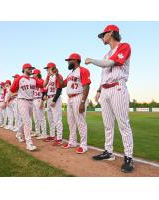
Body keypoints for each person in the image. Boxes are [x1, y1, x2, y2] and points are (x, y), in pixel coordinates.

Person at [85, 24, 134, 173]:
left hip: (118, 88)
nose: (102, 38)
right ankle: (108, 152)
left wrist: (92, 60)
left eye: (103, 35)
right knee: (108, 124)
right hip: (106, 90)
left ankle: (128, 158)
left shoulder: (124, 46)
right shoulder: (106, 55)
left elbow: (112, 63)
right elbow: (104, 74)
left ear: (111, 33)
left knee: (123, 124)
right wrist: (99, 90)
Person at [55, 53, 91, 154]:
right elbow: (62, 84)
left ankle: (83, 145)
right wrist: (57, 74)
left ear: (75, 60)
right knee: (71, 121)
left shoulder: (83, 70)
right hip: (70, 99)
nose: (68, 62)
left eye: (69, 60)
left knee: (80, 122)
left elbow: (86, 86)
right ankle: (72, 141)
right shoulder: (70, 74)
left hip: (79, 97)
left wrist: (83, 102)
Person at [5, 63, 44, 151]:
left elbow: (43, 85)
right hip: (22, 101)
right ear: (24, 69)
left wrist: (49, 76)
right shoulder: (19, 79)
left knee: (26, 121)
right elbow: (11, 91)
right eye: (29, 68)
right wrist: (5, 101)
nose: (31, 70)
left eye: (31, 68)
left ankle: (19, 133)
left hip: (31, 101)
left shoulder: (33, 79)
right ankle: (29, 143)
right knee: (27, 121)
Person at [43, 62, 63, 146]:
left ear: (52, 68)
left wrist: (54, 100)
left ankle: (59, 138)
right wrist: (45, 95)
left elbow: (59, 88)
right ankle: (52, 135)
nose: (47, 70)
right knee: (50, 119)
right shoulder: (50, 78)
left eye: (48, 69)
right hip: (49, 98)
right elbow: (45, 87)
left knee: (57, 119)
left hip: (55, 98)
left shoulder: (58, 76)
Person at [32, 69, 47, 140]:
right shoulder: (33, 82)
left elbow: (44, 92)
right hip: (34, 100)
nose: (33, 75)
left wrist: (42, 101)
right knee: (35, 118)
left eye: (34, 73)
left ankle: (44, 133)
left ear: (37, 73)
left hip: (39, 99)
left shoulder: (41, 81)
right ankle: (37, 132)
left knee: (41, 117)